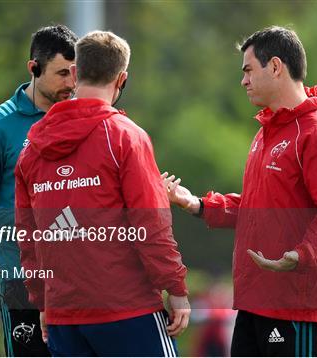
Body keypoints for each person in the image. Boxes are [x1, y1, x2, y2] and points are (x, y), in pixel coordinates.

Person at [163, 26, 317, 357]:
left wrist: (299, 256)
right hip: (255, 301)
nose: (243, 80)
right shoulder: (265, 133)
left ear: (276, 67)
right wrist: (195, 203)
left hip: (296, 305)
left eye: (249, 70)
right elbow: (254, 208)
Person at [15, 30, 190, 357]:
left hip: (64, 317)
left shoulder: (31, 150)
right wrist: (176, 289)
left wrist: (42, 302)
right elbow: (151, 224)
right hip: (127, 310)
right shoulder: (125, 137)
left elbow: (29, 239)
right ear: (122, 79)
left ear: (77, 72)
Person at [0, 25, 77, 356]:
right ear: (33, 68)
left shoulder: (82, 120)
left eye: (76, 73)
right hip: (22, 282)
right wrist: (35, 222)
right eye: (62, 73)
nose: (71, 83)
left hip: (80, 279)